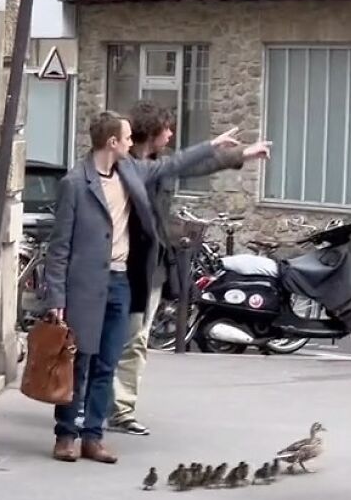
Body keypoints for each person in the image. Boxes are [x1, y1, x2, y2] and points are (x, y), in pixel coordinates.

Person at [43, 110, 270, 464]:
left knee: (107, 362)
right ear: (112, 142)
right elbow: (58, 248)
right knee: (79, 363)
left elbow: (178, 164)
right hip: (87, 285)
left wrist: (215, 146)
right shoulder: (75, 183)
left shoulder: (131, 171)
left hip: (122, 281)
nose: (132, 143)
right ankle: (66, 435)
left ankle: (93, 437)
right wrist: (55, 298)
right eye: (127, 138)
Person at [110, 100, 257, 435]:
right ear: (153, 131)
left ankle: (120, 408)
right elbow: (183, 162)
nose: (172, 133)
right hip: (124, 265)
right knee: (120, 337)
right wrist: (215, 145)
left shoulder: (157, 164)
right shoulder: (128, 167)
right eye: (167, 128)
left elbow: (193, 167)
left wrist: (242, 155)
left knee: (136, 338)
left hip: (151, 266)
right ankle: (105, 403)